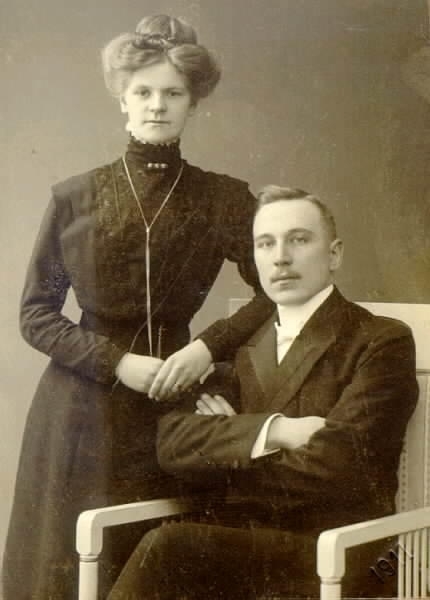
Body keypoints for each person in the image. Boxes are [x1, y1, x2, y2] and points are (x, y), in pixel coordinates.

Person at [2, 14, 274, 600]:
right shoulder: (74, 198)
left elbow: (274, 290)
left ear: (192, 103)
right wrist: (118, 362)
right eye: (143, 92)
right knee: (71, 568)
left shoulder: (224, 199)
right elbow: (36, 312)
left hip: (176, 400)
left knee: (161, 562)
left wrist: (206, 349)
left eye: (172, 93)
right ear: (121, 98)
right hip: (80, 413)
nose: (157, 105)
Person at [107, 186, 418, 599]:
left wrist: (228, 449)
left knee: (168, 548)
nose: (280, 257)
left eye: (299, 240)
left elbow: (339, 467)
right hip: (250, 549)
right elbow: (172, 443)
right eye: (265, 244)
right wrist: (277, 431)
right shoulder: (243, 346)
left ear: (334, 255)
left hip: (340, 554)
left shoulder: (381, 340)